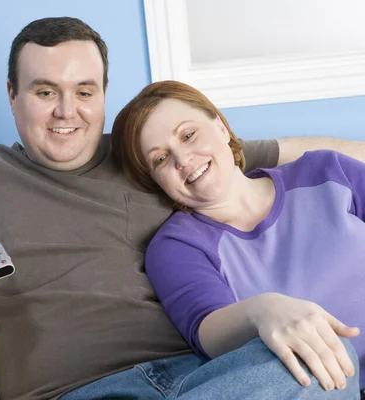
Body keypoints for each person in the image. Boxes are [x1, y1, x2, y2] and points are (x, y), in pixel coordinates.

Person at [0, 17, 365, 400]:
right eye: (44, 91)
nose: (67, 111)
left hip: (208, 378)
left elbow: (289, 153)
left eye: (85, 91)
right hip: (77, 390)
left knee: (323, 370)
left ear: (104, 94)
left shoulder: (151, 156)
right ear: (12, 94)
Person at [111, 79, 365, 397]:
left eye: (188, 135)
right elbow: (207, 331)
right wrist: (262, 310)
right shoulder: (177, 247)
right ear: (155, 180)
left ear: (220, 127)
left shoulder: (327, 171)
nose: (183, 159)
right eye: (160, 159)